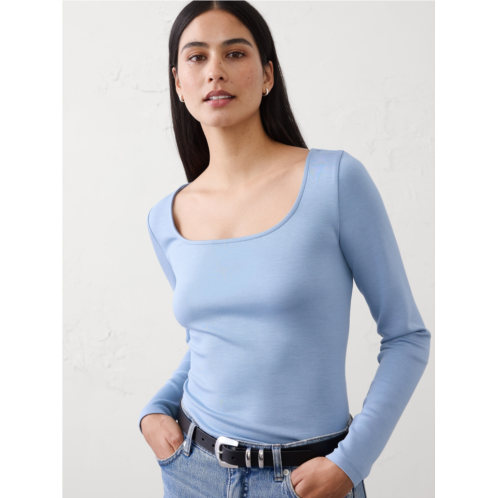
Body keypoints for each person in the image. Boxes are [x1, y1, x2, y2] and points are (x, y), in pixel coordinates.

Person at [139, 1, 431, 497]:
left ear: (268, 75)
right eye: (197, 57)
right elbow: (207, 342)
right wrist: (155, 409)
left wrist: (350, 464)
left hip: (306, 480)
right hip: (193, 472)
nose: (215, 70)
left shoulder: (333, 182)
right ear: (178, 83)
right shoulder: (167, 216)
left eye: (235, 53)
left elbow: (407, 338)